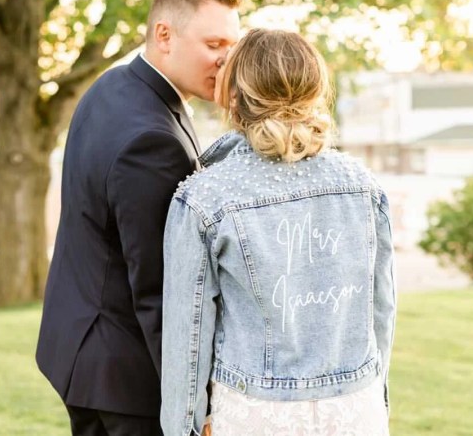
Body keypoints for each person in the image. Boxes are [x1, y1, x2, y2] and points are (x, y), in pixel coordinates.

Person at [160, 28, 397, 435]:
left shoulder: (206, 197)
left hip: (255, 413)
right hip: (356, 408)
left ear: (235, 96)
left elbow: (189, 335)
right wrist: (377, 399)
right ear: (317, 92)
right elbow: (381, 313)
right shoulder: (363, 186)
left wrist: (183, 428)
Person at [35, 0, 242, 435]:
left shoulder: (114, 88)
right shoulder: (151, 139)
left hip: (82, 348)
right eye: (214, 43)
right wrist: (197, 404)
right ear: (164, 35)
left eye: (233, 44)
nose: (227, 59)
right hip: (124, 375)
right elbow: (160, 287)